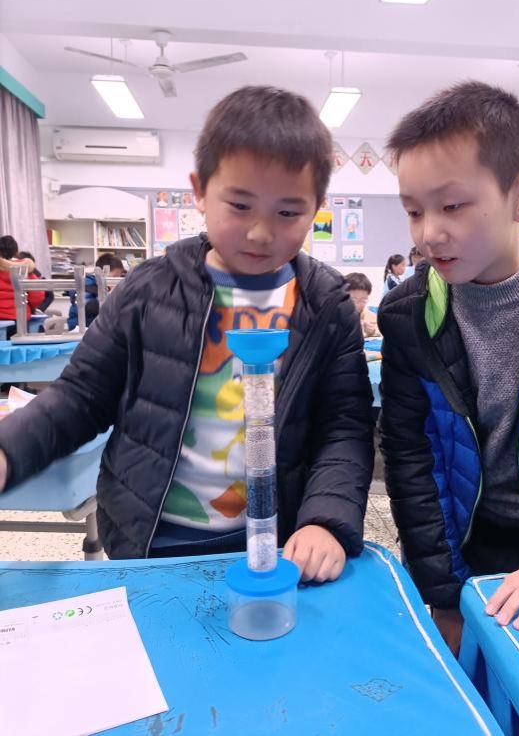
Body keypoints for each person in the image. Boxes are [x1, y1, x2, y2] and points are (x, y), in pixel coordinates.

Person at [0, 86, 373, 583]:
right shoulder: (148, 289)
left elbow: (343, 428)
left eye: (288, 212)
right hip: (151, 540)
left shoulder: (326, 304)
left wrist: (326, 520)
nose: (261, 233)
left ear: (316, 207)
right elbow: (80, 398)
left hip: (279, 545)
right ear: (200, 191)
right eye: (240, 205)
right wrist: (8, 450)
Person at [379, 80, 519, 655]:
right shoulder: (408, 316)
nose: (428, 233)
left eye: (452, 206)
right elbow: (412, 461)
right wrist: (443, 593)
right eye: (413, 211)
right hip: (471, 549)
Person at [67, 252, 125, 330]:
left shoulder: (106, 286)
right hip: (79, 327)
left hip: (97, 328)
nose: (116, 280)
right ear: (102, 272)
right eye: (114, 276)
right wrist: (109, 296)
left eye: (119, 277)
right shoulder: (87, 283)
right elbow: (87, 309)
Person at [0, 235, 45, 335]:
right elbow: (37, 295)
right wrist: (29, 307)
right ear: (16, 252)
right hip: (19, 319)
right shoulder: (25, 269)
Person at [344, 272, 379, 338]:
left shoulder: (369, 315)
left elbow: (381, 330)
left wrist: (372, 331)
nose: (357, 305)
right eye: (353, 300)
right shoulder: (334, 315)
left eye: (363, 300)